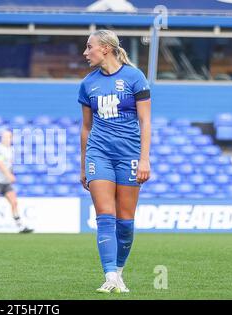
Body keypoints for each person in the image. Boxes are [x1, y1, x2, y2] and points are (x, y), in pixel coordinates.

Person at [78, 30, 151, 293]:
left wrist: (144, 159)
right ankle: (109, 275)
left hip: (130, 155)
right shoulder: (88, 84)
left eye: (89, 47)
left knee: (125, 222)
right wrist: (83, 163)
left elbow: (145, 121)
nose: (86, 53)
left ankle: (119, 272)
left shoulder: (135, 78)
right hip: (99, 154)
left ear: (106, 48)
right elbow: (86, 128)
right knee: (105, 217)